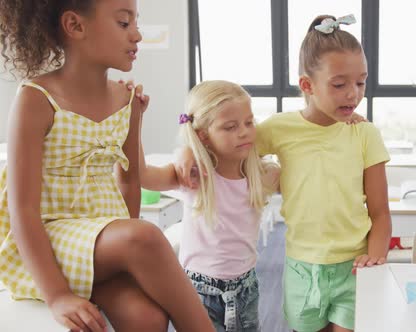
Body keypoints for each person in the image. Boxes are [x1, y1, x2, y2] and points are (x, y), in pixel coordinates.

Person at [0, 1, 213, 331]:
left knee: (147, 317)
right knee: (146, 236)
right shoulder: (36, 98)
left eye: (136, 23)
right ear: (76, 26)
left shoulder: (126, 100)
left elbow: (129, 180)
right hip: (48, 240)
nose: (138, 35)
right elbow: (22, 209)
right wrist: (57, 295)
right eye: (124, 23)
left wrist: (125, 253)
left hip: (99, 242)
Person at [177, 14, 391, 332]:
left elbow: (380, 211)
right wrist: (187, 148)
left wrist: (375, 257)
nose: (353, 94)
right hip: (302, 266)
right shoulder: (279, 128)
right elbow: (226, 145)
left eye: (361, 82)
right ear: (307, 85)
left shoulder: (365, 134)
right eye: (339, 84)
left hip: (353, 267)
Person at [139, 80, 280, 331]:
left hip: (246, 289)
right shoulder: (193, 177)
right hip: (198, 293)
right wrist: (134, 121)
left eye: (249, 123)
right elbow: (141, 175)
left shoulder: (263, 175)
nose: (244, 132)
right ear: (203, 135)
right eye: (230, 127)